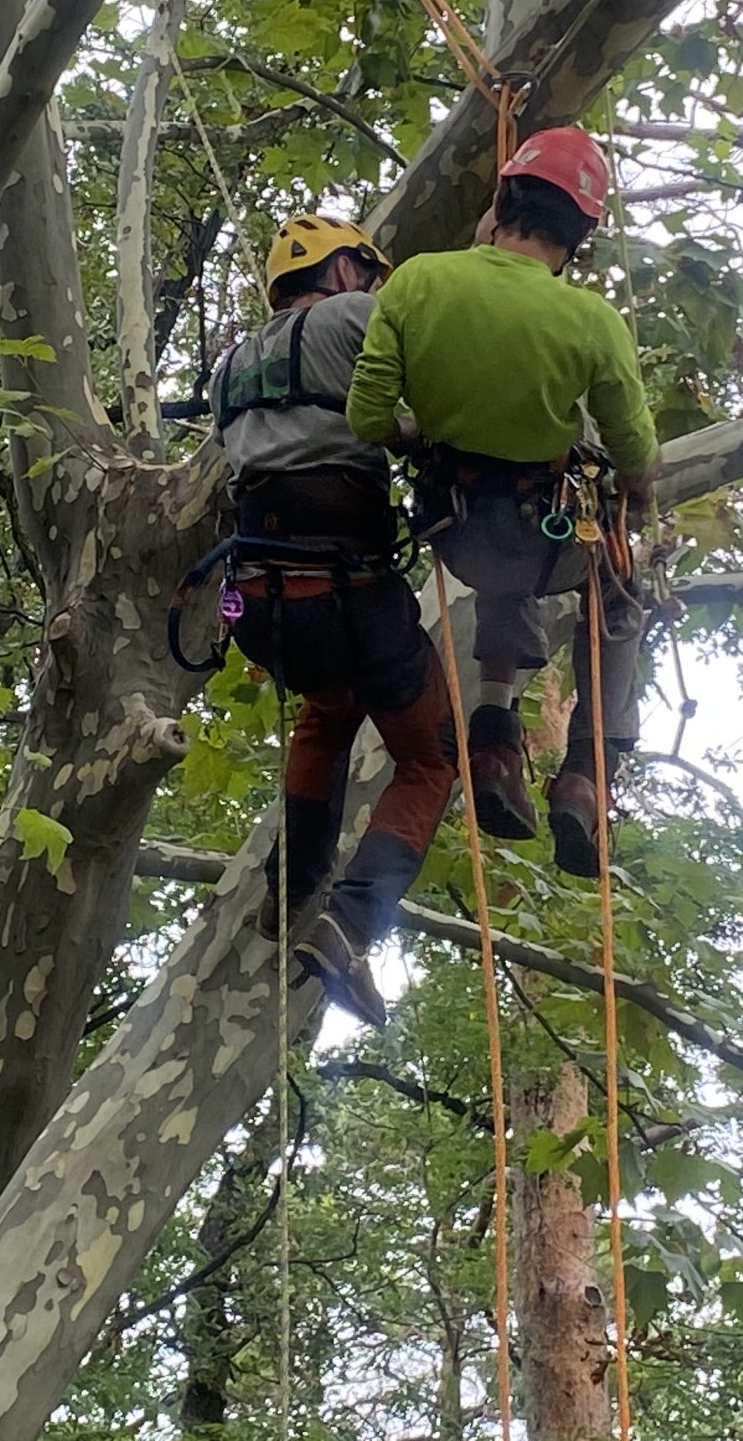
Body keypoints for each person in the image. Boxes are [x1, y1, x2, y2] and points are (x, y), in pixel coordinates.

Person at [344, 126, 657, 879]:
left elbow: (366, 417)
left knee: (504, 580)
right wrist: (634, 503)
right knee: (617, 596)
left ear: (502, 200)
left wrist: (423, 435)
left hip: (458, 529)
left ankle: (492, 736)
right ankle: (584, 774)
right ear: (579, 232)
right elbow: (637, 458)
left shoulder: (417, 282)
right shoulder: (591, 323)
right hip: (548, 535)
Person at [210, 212, 498, 1027]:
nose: (373, 288)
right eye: (366, 273)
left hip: (261, 603)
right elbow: (448, 385)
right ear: (341, 274)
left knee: (328, 712)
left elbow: (295, 437)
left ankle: (290, 887)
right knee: (430, 758)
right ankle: (351, 925)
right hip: (350, 596)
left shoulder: (231, 362)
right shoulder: (353, 318)